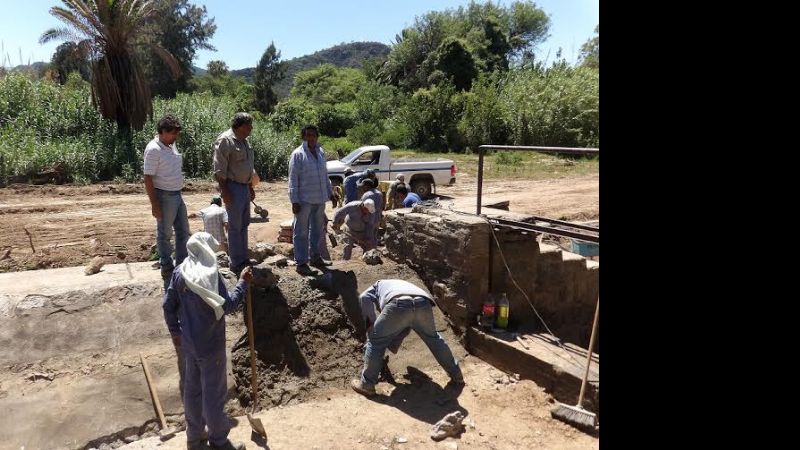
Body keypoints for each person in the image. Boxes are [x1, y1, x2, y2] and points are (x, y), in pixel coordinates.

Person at [162, 232, 253, 450]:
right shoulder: (212, 276)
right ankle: (219, 442)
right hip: (211, 346)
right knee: (213, 395)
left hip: (189, 345)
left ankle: (194, 438)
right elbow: (228, 305)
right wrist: (242, 283)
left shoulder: (180, 273)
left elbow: (168, 306)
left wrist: (176, 332)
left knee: (193, 391)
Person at [350, 279, 464, 397]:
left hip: (398, 303)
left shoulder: (377, 285)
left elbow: (364, 297)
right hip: (423, 303)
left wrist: (371, 328)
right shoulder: (396, 285)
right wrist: (392, 344)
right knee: (433, 339)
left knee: (375, 342)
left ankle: (367, 385)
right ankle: (457, 375)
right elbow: (404, 326)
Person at [144, 114, 190, 290]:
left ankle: (181, 265)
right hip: (164, 196)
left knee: (183, 231)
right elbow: (147, 178)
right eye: (172, 133)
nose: (175, 137)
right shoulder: (153, 149)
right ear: (162, 132)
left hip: (177, 195)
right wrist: (155, 204)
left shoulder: (170, 145)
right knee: (165, 233)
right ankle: (166, 266)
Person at [288, 124, 336, 274]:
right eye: (308, 135)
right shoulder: (298, 154)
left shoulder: (321, 152)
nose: (311, 138)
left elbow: (325, 176)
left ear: (317, 136)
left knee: (317, 230)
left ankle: (315, 257)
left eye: (313, 135)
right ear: (304, 137)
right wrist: (294, 201)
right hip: (304, 200)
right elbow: (292, 179)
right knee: (301, 232)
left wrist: (331, 193)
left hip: (320, 199)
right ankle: (301, 263)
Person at [213, 113, 257, 276]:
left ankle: (243, 258)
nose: (251, 129)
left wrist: (250, 186)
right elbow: (219, 169)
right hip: (232, 187)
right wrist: (225, 191)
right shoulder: (225, 140)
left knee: (244, 224)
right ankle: (236, 262)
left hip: (244, 187)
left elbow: (247, 167)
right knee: (234, 226)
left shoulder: (244, 141)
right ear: (240, 126)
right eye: (249, 126)